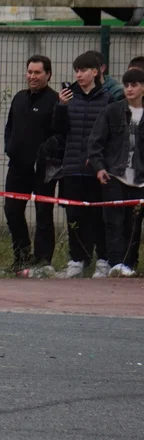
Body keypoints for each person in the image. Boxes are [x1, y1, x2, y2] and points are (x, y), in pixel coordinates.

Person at [53, 51, 113, 278]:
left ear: (95, 72)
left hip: (96, 170)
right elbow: (58, 130)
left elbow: (112, 135)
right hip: (71, 168)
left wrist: (100, 161)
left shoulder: (108, 99)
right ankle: (77, 259)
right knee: (74, 216)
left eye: (84, 70)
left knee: (99, 217)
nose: (79, 75)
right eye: (76, 70)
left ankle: (103, 260)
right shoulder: (70, 98)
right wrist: (61, 106)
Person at [3, 54, 59, 274]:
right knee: (12, 210)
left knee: (43, 213)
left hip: (43, 169)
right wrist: (9, 148)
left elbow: (59, 133)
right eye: (30, 72)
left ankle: (43, 260)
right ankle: (22, 257)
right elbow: (9, 127)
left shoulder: (55, 100)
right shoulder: (19, 98)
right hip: (17, 167)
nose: (32, 76)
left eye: (37, 72)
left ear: (48, 74)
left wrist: (45, 156)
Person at [88, 67, 144, 278]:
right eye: (126, 85)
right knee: (113, 222)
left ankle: (129, 264)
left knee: (133, 225)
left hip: (139, 181)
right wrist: (99, 167)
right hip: (114, 176)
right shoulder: (111, 111)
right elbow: (95, 143)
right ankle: (115, 263)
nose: (129, 89)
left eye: (134, 85)